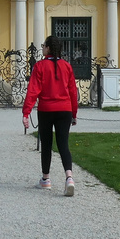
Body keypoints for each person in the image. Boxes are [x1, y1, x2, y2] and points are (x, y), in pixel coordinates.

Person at [22, 34, 79, 195]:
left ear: (47, 48)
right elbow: (72, 92)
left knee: (46, 145)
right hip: (65, 109)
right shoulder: (67, 66)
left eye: (43, 46)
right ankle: (69, 177)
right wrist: (74, 113)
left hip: (46, 109)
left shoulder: (39, 66)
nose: (42, 48)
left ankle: (46, 179)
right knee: (63, 144)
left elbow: (33, 91)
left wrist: (26, 112)